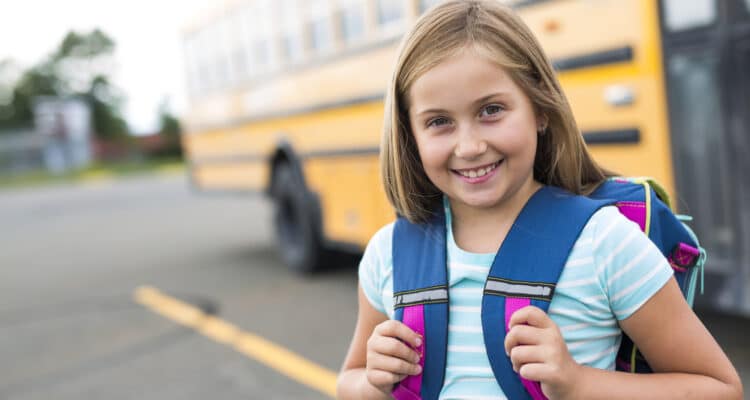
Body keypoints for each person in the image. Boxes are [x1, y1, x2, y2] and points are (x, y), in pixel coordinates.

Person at [336, 1, 743, 399]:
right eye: (439, 122)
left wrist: (578, 384)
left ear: (540, 109)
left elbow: (720, 388)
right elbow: (348, 380)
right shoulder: (388, 254)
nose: (471, 145)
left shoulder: (606, 243)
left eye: (491, 110)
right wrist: (373, 381)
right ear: (411, 135)